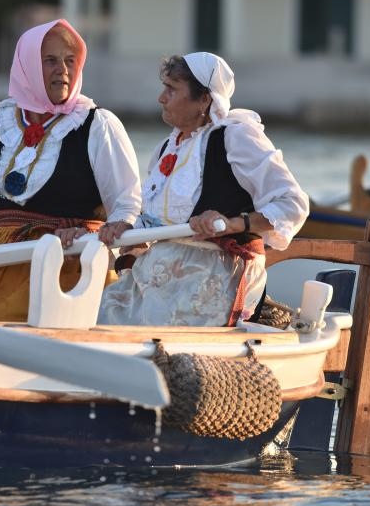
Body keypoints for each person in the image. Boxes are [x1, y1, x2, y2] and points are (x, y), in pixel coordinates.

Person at [0, 20, 141, 321]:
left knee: (4, 328)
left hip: (65, 262)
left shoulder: (97, 125)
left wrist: (90, 235)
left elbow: (126, 205)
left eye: (71, 61)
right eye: (50, 61)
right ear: (27, 66)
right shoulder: (0, 120)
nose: (63, 70)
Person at [98, 52, 309, 326]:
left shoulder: (237, 135)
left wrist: (232, 223)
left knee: (145, 326)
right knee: (98, 313)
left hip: (218, 272)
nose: (161, 98)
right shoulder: (167, 147)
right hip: (163, 270)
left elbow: (292, 204)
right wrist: (127, 228)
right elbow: (158, 219)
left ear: (204, 99)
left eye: (171, 89)